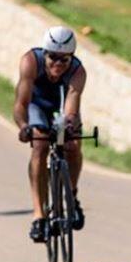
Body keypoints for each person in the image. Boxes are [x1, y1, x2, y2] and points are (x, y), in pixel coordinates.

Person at [14, 26, 87, 242]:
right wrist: (23, 126)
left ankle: (71, 197)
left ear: (71, 58)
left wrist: (71, 127)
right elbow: (21, 103)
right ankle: (39, 215)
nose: (58, 64)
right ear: (45, 53)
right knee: (40, 145)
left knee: (72, 145)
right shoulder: (30, 62)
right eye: (53, 57)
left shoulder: (77, 71)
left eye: (64, 60)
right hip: (35, 105)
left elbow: (71, 109)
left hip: (61, 107)